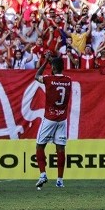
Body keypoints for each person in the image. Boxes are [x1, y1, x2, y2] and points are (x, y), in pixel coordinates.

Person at [34, 56, 73, 190]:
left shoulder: (48, 79)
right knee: (60, 149)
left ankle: (43, 174)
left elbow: (36, 76)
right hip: (62, 119)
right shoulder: (68, 80)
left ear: (54, 68)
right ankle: (60, 180)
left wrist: (45, 62)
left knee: (40, 146)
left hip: (49, 118)